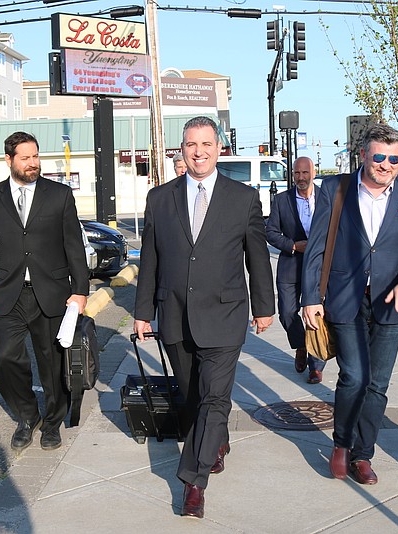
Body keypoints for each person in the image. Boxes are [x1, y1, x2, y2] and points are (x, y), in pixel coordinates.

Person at [134, 116, 274, 519]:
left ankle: (193, 482)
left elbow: (257, 258)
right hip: (175, 314)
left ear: (219, 148)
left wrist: (264, 306)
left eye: (206, 144)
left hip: (225, 314)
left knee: (215, 397)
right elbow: (151, 259)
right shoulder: (160, 199)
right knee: (194, 396)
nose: (199, 151)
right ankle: (216, 440)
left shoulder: (243, 198)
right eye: (191, 144)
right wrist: (144, 312)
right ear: (182, 148)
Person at [301, 123, 398, 486]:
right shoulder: (334, 189)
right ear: (364, 155)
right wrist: (311, 298)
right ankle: (341, 444)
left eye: (394, 158)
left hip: (391, 302)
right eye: (379, 157)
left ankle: (364, 454)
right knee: (354, 377)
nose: (386, 164)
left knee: (377, 385)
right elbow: (315, 248)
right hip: (346, 299)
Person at [0, 131, 89, 453]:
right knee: (7, 358)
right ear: (9, 160)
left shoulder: (59, 195)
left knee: (52, 363)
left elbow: (73, 244)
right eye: (25, 158)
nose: (33, 163)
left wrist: (80, 290)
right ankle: (27, 416)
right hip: (9, 293)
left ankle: (52, 423)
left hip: (51, 292)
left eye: (35, 156)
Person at [266, 156, 326, 384]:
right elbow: (270, 231)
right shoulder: (282, 200)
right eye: (297, 173)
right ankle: (301, 345)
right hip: (290, 267)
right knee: (287, 313)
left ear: (313, 172)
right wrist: (292, 245)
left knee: (316, 317)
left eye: (305, 173)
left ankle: (316, 365)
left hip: (319, 269)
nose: (301, 178)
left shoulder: (326, 198)